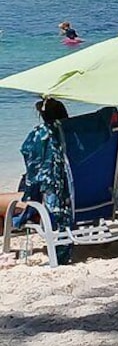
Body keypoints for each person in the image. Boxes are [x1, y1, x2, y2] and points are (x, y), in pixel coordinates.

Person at [0, 98, 72, 263]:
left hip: (53, 207)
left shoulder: (41, 136)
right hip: (86, 201)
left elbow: (34, 183)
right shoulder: (80, 140)